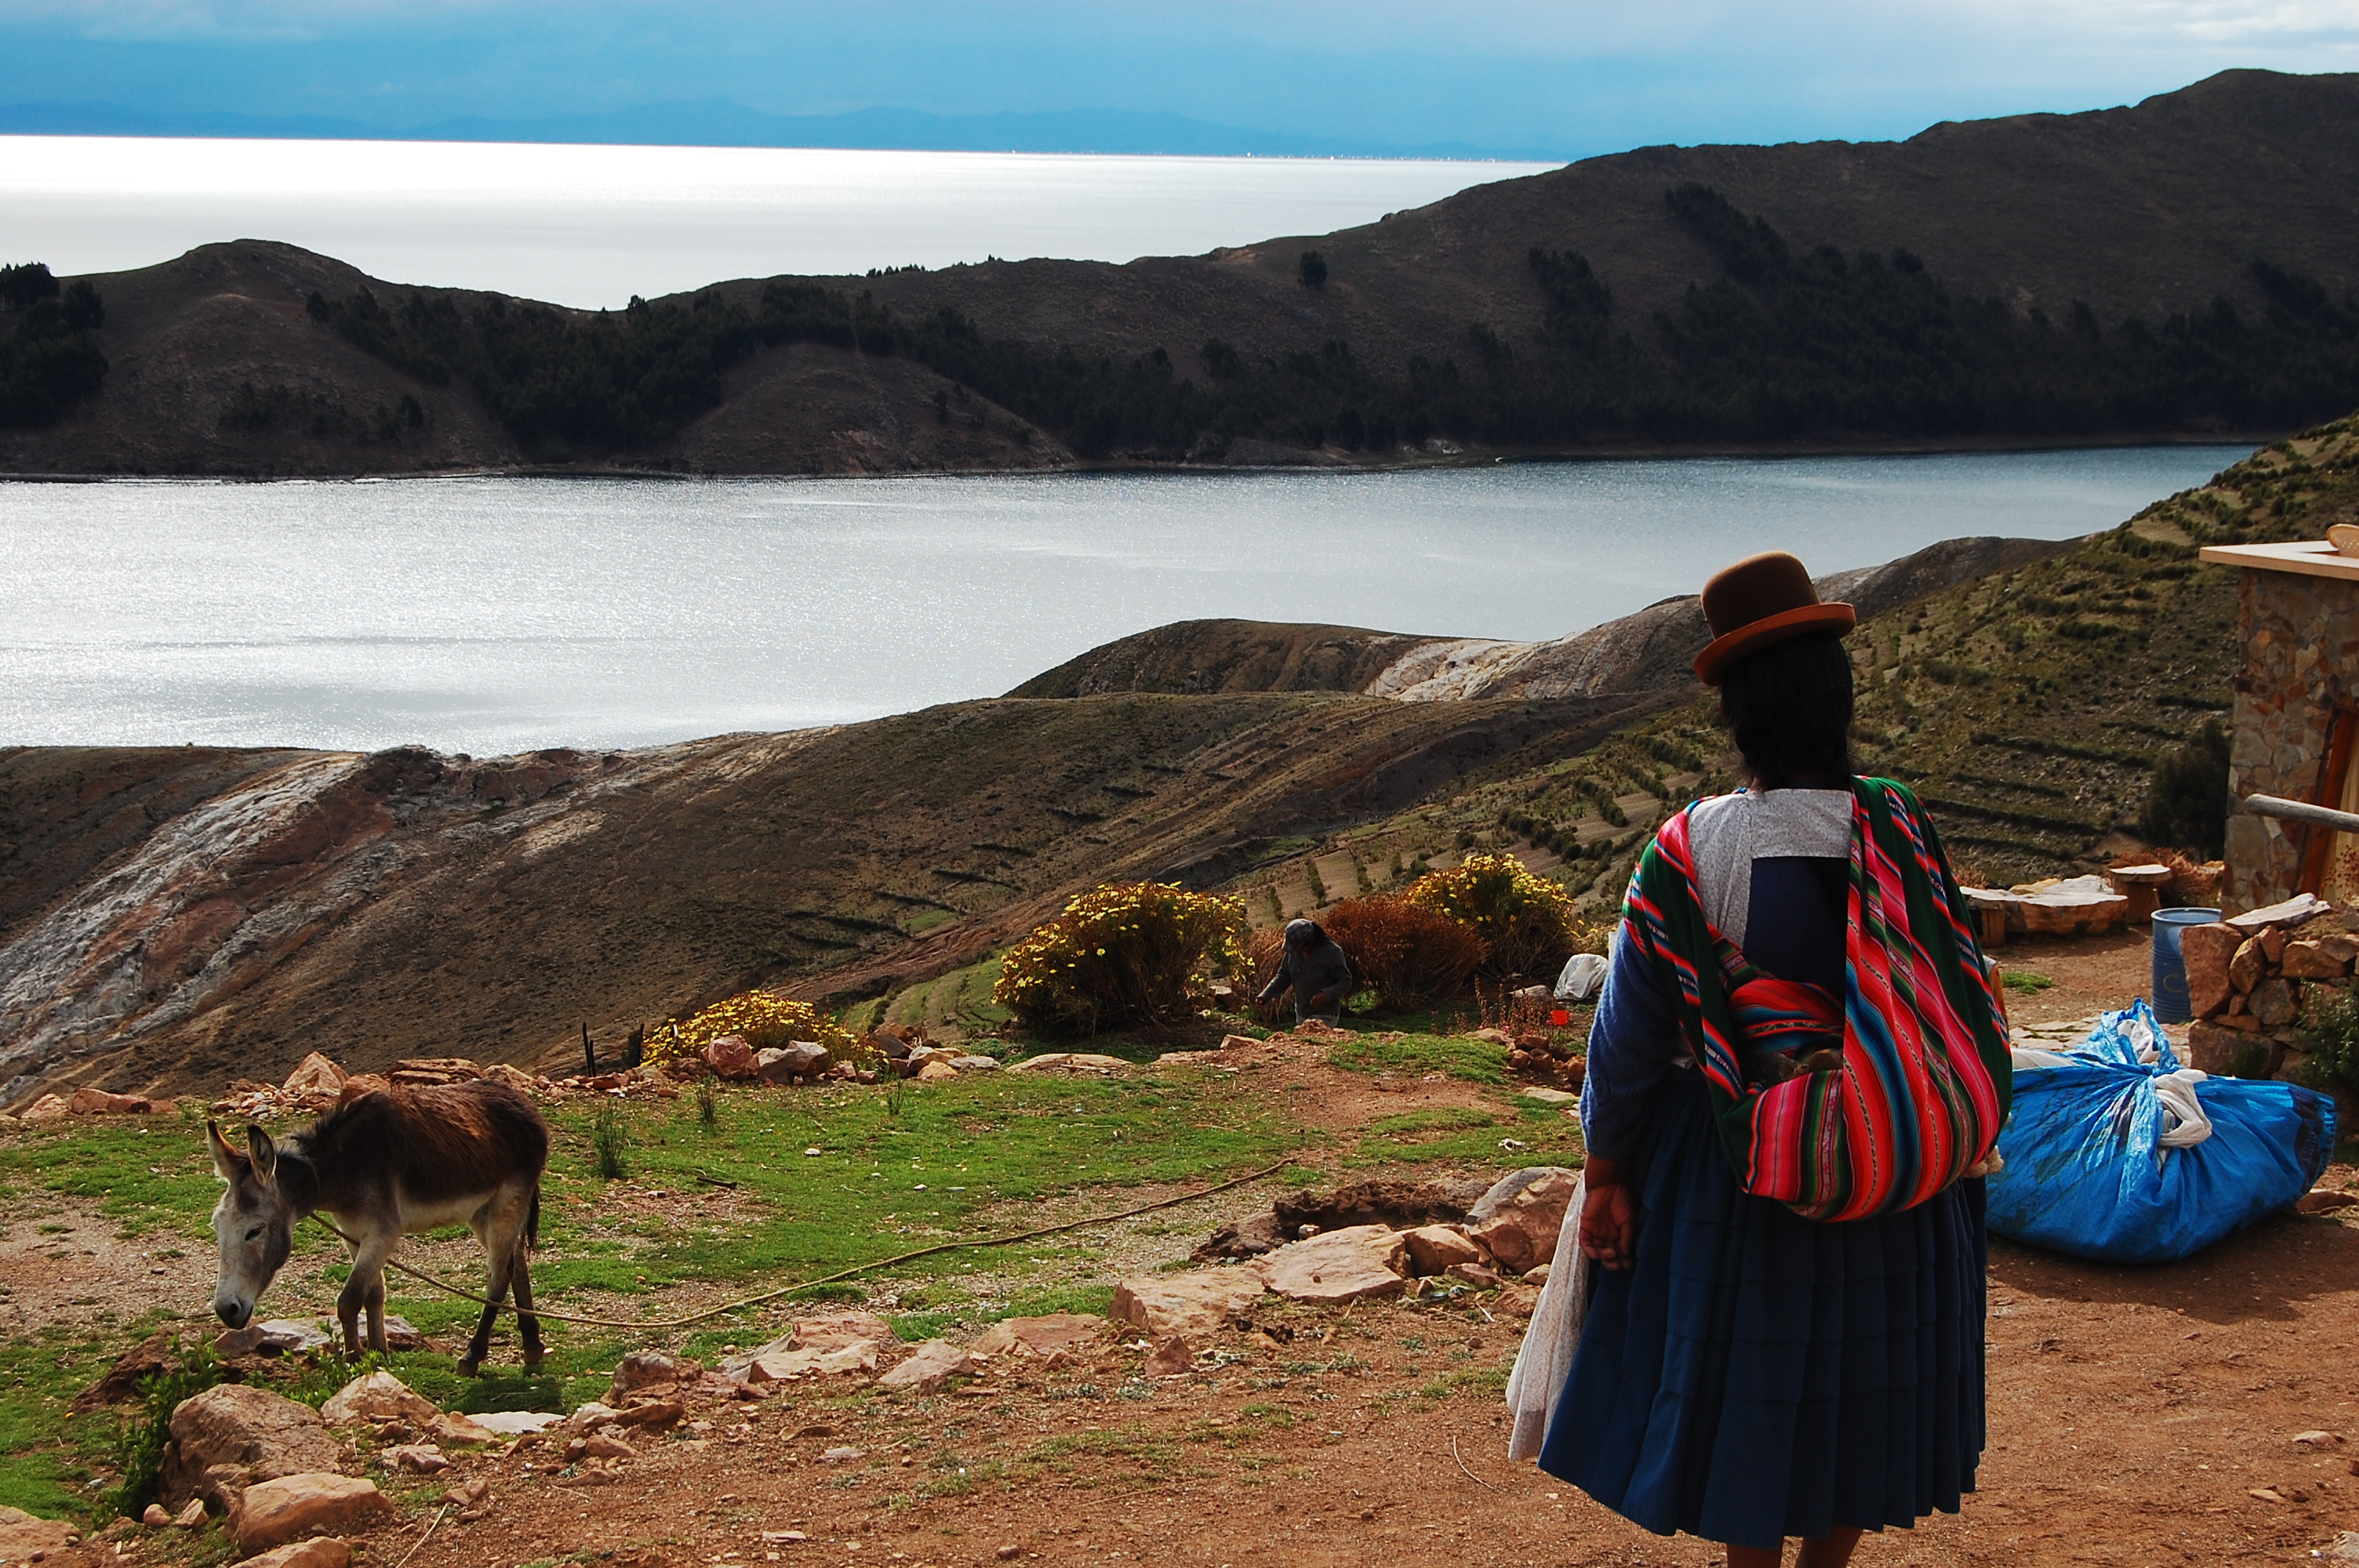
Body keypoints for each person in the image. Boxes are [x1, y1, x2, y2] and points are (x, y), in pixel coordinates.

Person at [1536, 551, 2008, 1568]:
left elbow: (1625, 1044)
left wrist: (1607, 1173)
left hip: (1743, 1175)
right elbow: (1956, 974)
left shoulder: (1692, 851)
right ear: (1837, 697)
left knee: (1758, 1392)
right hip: (1895, 1166)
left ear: (1736, 714)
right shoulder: (1899, 823)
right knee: (1863, 1397)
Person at [1256, 918, 1353, 1026]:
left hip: (1325, 1014)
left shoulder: (1332, 952)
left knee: (1313, 1040)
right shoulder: (1294, 951)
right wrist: (1265, 995)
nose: (1296, 951)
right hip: (1302, 1013)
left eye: (1299, 948)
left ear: (1310, 942)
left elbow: (1345, 981)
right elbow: (1284, 975)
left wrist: (1326, 995)